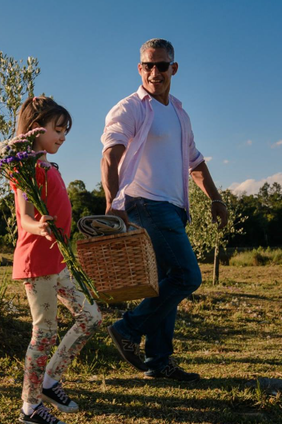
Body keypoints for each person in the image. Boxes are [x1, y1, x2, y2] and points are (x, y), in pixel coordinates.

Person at [101, 39, 228, 381]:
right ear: (139, 68)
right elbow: (110, 155)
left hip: (174, 208)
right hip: (144, 202)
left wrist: (215, 199)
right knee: (188, 276)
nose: (154, 71)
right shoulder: (130, 108)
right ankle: (128, 329)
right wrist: (113, 202)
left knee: (165, 283)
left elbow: (195, 161)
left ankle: (159, 362)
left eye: (161, 65)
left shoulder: (179, 113)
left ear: (174, 68)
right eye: (147, 65)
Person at [13, 97, 102, 424]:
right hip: (37, 263)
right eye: (58, 129)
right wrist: (42, 227)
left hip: (60, 262)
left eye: (66, 130)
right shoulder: (24, 168)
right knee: (45, 332)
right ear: (36, 129)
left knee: (91, 317)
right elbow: (24, 219)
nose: (63, 136)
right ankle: (30, 407)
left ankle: (50, 380)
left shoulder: (50, 166)